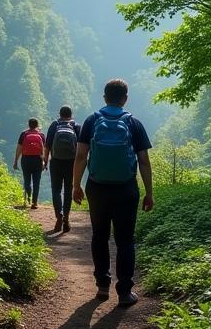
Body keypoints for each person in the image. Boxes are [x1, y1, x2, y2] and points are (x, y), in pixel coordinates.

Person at [72, 79, 153, 307]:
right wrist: (149, 192)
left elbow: (81, 156)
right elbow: (144, 161)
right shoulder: (133, 123)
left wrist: (76, 185)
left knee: (99, 235)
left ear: (104, 97)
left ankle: (102, 286)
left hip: (97, 187)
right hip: (126, 188)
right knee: (125, 240)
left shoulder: (92, 120)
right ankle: (125, 292)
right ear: (125, 98)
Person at [44, 105, 81, 233]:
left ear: (59, 114)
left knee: (56, 190)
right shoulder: (76, 126)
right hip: (71, 163)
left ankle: (58, 215)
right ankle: (66, 218)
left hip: (56, 162)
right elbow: (81, 148)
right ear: (71, 114)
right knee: (68, 190)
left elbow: (47, 145)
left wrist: (45, 161)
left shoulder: (54, 125)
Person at [13, 118, 45, 209]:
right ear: (37, 125)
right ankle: (34, 203)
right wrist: (44, 162)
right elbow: (44, 150)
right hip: (37, 160)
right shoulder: (41, 135)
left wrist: (16, 161)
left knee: (27, 180)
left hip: (26, 159)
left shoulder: (24, 134)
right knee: (36, 181)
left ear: (28, 124)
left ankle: (28, 199)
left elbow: (19, 148)